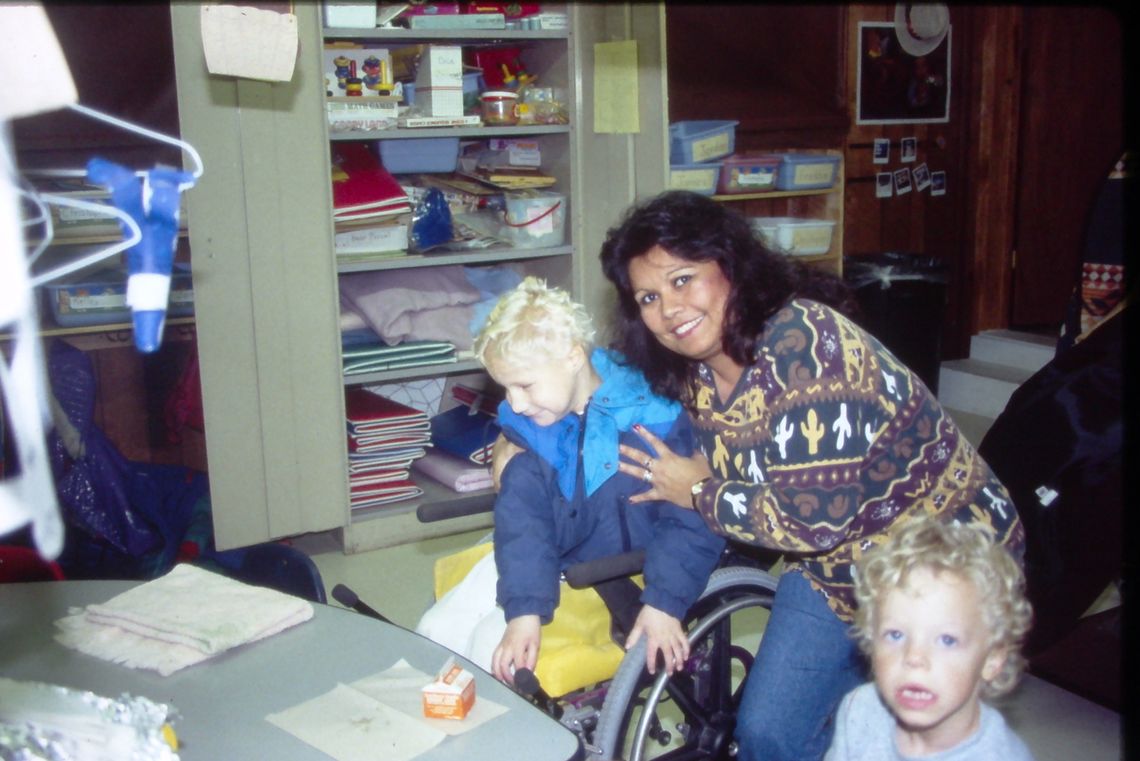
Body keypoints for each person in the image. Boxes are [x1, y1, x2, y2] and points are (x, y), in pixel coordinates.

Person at [592, 190, 1025, 761]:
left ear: (730, 267)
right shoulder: (694, 373)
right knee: (770, 732)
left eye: (682, 279)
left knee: (910, 731)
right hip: (835, 566)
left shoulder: (805, 346)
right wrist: (523, 441)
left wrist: (700, 491)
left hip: (945, 558)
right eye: (648, 296)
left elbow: (811, 520)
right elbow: (603, 409)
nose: (669, 310)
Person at [415, 276, 725, 685]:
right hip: (546, 560)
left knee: (493, 649)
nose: (515, 405)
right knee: (435, 630)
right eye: (505, 389)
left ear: (573, 356)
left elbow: (692, 519)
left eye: (524, 385)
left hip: (622, 578)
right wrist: (524, 609)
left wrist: (665, 602)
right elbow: (524, 525)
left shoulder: (657, 420)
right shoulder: (532, 434)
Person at [826, 516, 1035, 760]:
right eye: (895, 635)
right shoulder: (859, 709)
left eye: (947, 640)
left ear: (992, 659)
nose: (914, 657)